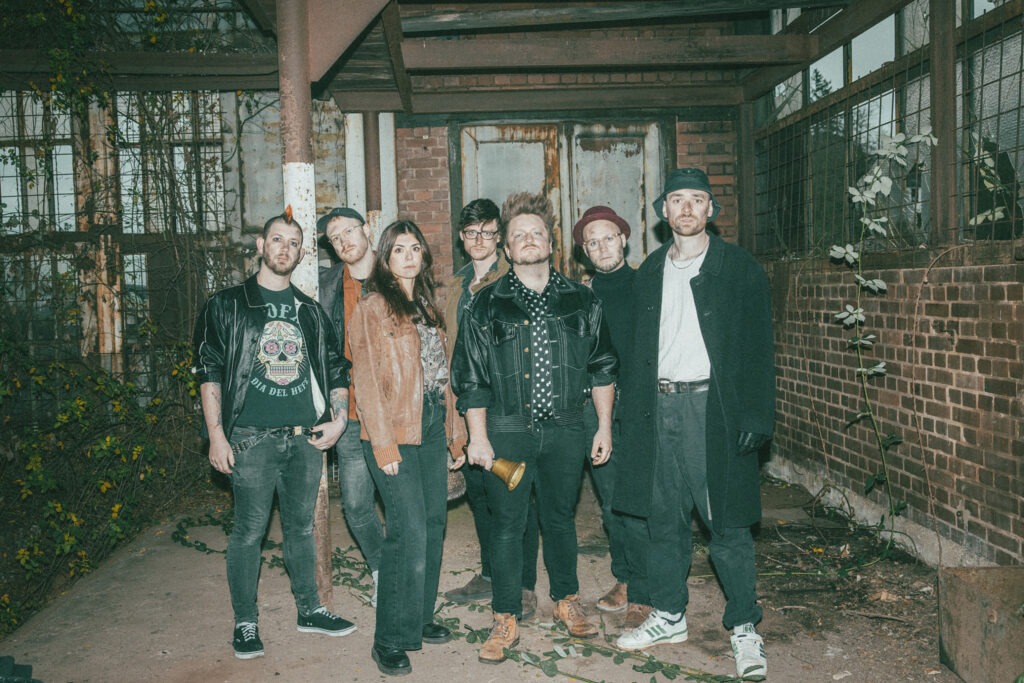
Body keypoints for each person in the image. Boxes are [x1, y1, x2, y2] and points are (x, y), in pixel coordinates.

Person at [613, 168, 774, 683]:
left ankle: (744, 626)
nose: (686, 208)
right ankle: (668, 615)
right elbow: (636, 351)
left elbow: (759, 349)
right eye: (677, 199)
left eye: (696, 200)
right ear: (663, 211)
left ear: (710, 210)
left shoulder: (738, 269)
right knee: (663, 519)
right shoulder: (649, 272)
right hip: (658, 408)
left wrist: (755, 415)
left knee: (725, 522)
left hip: (712, 409)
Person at [452, 191, 619, 664]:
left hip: (567, 429)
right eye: (518, 235)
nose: (528, 240)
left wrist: (603, 427)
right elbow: (471, 379)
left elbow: (602, 367)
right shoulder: (485, 305)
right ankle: (505, 615)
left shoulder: (582, 300)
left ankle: (567, 599)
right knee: (508, 525)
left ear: (550, 243)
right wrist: (478, 437)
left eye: (537, 233)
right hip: (508, 431)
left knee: (560, 519)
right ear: (506, 247)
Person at [193, 211, 357, 661]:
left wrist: (339, 419)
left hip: (305, 438)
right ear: (261, 246)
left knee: (301, 528)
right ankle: (246, 622)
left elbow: (337, 368)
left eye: (293, 242)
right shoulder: (227, 304)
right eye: (277, 240)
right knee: (249, 531)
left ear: (302, 253)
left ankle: (310, 610)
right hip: (250, 439)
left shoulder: (310, 310)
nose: (285, 248)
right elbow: (208, 371)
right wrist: (216, 435)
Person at [349, 220, 468, 676]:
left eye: (415, 248)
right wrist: (383, 446)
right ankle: (389, 639)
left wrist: (455, 434)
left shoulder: (427, 306)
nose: (409, 256)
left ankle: (418, 617)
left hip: (433, 423)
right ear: (385, 257)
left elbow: (442, 377)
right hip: (394, 429)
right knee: (407, 531)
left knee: (434, 524)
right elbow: (366, 383)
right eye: (399, 249)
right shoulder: (373, 307)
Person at [441, 198, 540, 621]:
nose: (479, 240)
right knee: (479, 493)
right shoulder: (455, 285)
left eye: (487, 232)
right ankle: (489, 573)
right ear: (462, 239)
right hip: (465, 402)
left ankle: (523, 585)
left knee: (515, 496)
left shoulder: (515, 278)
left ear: (499, 237)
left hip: (506, 405)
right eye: (471, 233)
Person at [573, 205, 652, 629]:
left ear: (623, 239)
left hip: (641, 407)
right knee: (611, 502)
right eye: (593, 242)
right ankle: (624, 577)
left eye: (608, 238)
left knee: (640, 498)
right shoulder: (581, 296)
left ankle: (644, 590)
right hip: (596, 409)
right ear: (585, 251)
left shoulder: (648, 287)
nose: (602, 247)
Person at [317, 207, 385, 606]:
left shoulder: (396, 271)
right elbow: (328, 354)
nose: (343, 241)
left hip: (395, 415)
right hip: (352, 412)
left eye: (348, 231)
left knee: (402, 503)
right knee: (357, 506)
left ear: (367, 230)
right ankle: (382, 571)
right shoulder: (326, 285)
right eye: (335, 237)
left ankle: (410, 575)